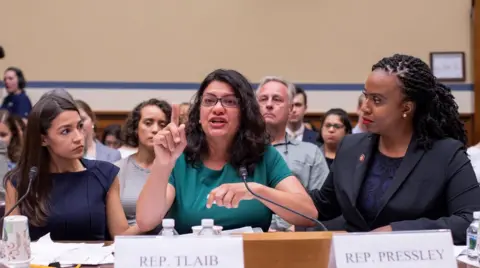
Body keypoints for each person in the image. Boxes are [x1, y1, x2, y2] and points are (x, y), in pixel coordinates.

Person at [309, 54, 480, 244]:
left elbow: (470, 220)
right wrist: (275, 181)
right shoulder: (351, 147)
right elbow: (324, 205)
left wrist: (396, 232)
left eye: (377, 100)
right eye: (366, 96)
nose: (365, 108)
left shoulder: (446, 154)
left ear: (406, 108)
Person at [136, 69, 317, 234]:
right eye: (209, 101)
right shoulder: (179, 156)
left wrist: (257, 191)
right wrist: (162, 164)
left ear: (244, 113)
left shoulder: (264, 155)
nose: (218, 108)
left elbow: (308, 214)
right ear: (199, 113)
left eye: (229, 102)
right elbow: (146, 222)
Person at [4, 89, 139, 241]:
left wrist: (146, 223)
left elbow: (120, 236)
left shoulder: (105, 174)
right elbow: (12, 243)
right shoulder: (20, 181)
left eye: (79, 126)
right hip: (39, 264)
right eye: (66, 131)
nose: (78, 137)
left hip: (94, 264)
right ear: (43, 139)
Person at [256, 76, 329, 231]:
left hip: (295, 238)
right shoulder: (237, 152)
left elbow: (324, 207)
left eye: (277, 99)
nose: (269, 104)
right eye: (263, 99)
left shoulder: (311, 153)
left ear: (290, 109)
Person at [116, 99, 171, 226]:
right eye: (148, 123)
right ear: (136, 128)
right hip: (127, 239)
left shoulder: (176, 168)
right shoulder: (117, 169)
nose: (155, 129)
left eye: (162, 124)